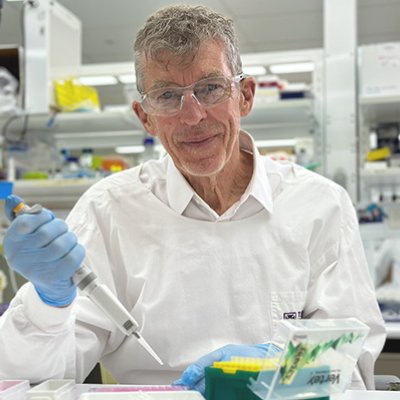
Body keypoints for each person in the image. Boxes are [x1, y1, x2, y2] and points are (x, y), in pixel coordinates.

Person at [0, 4, 386, 394]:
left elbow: (352, 363)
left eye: (210, 88)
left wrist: (280, 365)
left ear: (245, 96)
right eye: (167, 95)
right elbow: (33, 377)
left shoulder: (320, 206)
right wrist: (48, 304)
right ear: (145, 117)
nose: (192, 115)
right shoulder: (109, 210)